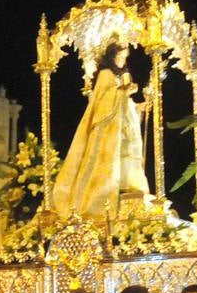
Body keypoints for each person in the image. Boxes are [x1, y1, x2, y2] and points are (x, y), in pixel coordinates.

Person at [51, 41, 151, 219]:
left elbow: (127, 103)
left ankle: (129, 190)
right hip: (109, 128)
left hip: (126, 124)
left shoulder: (125, 75)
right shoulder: (105, 74)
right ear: (113, 56)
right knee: (109, 161)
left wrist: (139, 107)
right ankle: (102, 200)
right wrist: (121, 91)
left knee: (129, 157)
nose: (122, 60)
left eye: (125, 57)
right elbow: (101, 99)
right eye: (120, 56)